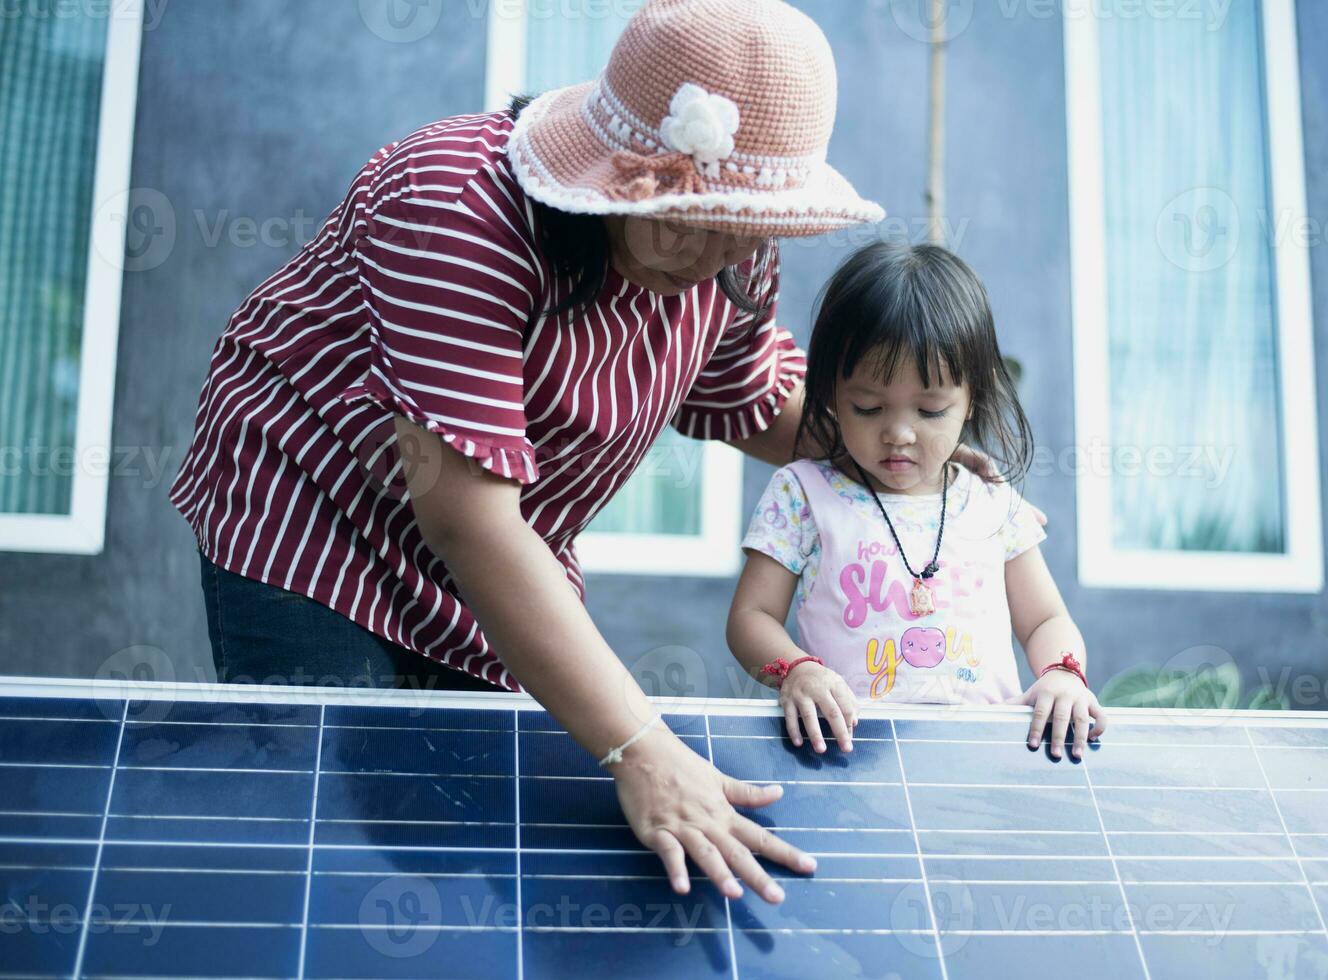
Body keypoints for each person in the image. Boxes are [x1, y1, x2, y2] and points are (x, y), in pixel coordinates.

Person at [167, 0, 1033, 903]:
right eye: (681, 217)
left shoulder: (731, 251)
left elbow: (752, 398)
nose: (708, 252)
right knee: (330, 830)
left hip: (502, 550)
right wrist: (642, 748)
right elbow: (469, 520)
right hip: (315, 520)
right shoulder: (458, 209)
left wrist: (897, 450)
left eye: (738, 225)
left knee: (463, 837)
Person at [728, 240, 1107, 762]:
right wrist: (797, 669)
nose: (898, 434)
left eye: (930, 411)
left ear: (972, 396)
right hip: (851, 757)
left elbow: (1044, 620)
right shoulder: (803, 494)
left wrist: (1063, 674)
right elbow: (752, 616)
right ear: (830, 394)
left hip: (986, 760)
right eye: (868, 407)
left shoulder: (992, 502)